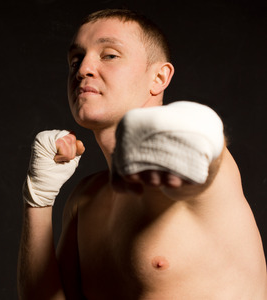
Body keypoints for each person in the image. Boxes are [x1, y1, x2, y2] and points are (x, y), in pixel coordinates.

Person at [17, 8, 267, 300]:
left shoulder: (208, 168)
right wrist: (38, 198)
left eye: (109, 55)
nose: (83, 68)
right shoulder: (84, 201)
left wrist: (200, 128)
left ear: (159, 77)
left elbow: (203, 149)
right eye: (76, 59)